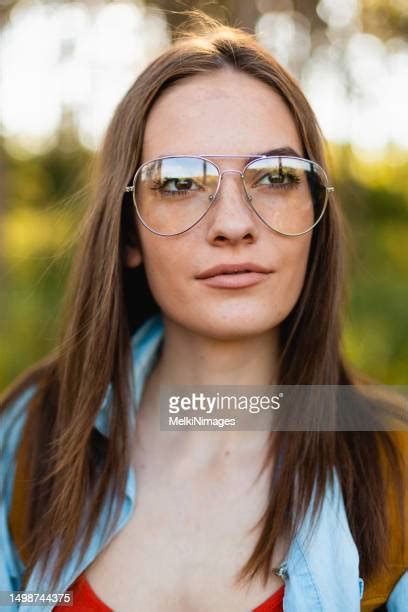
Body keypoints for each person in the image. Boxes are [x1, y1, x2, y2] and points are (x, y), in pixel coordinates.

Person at [0, 13, 406, 612]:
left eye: (275, 176)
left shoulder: (393, 464)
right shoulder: (33, 431)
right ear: (128, 234)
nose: (235, 225)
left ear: (315, 217)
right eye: (179, 181)